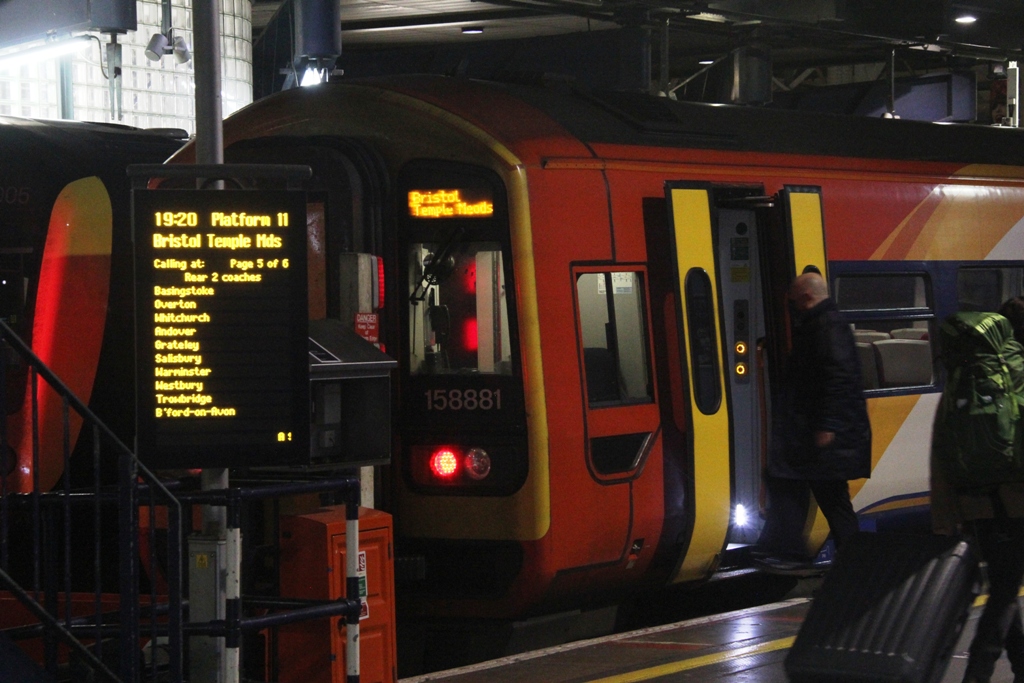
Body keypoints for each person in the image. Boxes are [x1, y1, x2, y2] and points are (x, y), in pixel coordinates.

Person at [933, 297, 1024, 683]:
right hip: (1016, 501)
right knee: (1004, 590)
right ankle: (977, 673)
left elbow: (940, 453)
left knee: (1004, 581)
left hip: (974, 503)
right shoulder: (1015, 376)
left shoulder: (960, 380)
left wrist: (945, 515)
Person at [756, 271, 871, 570]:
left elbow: (839, 378)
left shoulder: (827, 327)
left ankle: (801, 554)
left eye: (792, 300)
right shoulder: (821, 324)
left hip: (828, 437)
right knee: (824, 498)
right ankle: (796, 552)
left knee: (827, 499)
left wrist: (827, 426)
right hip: (822, 434)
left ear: (806, 297)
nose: (790, 306)